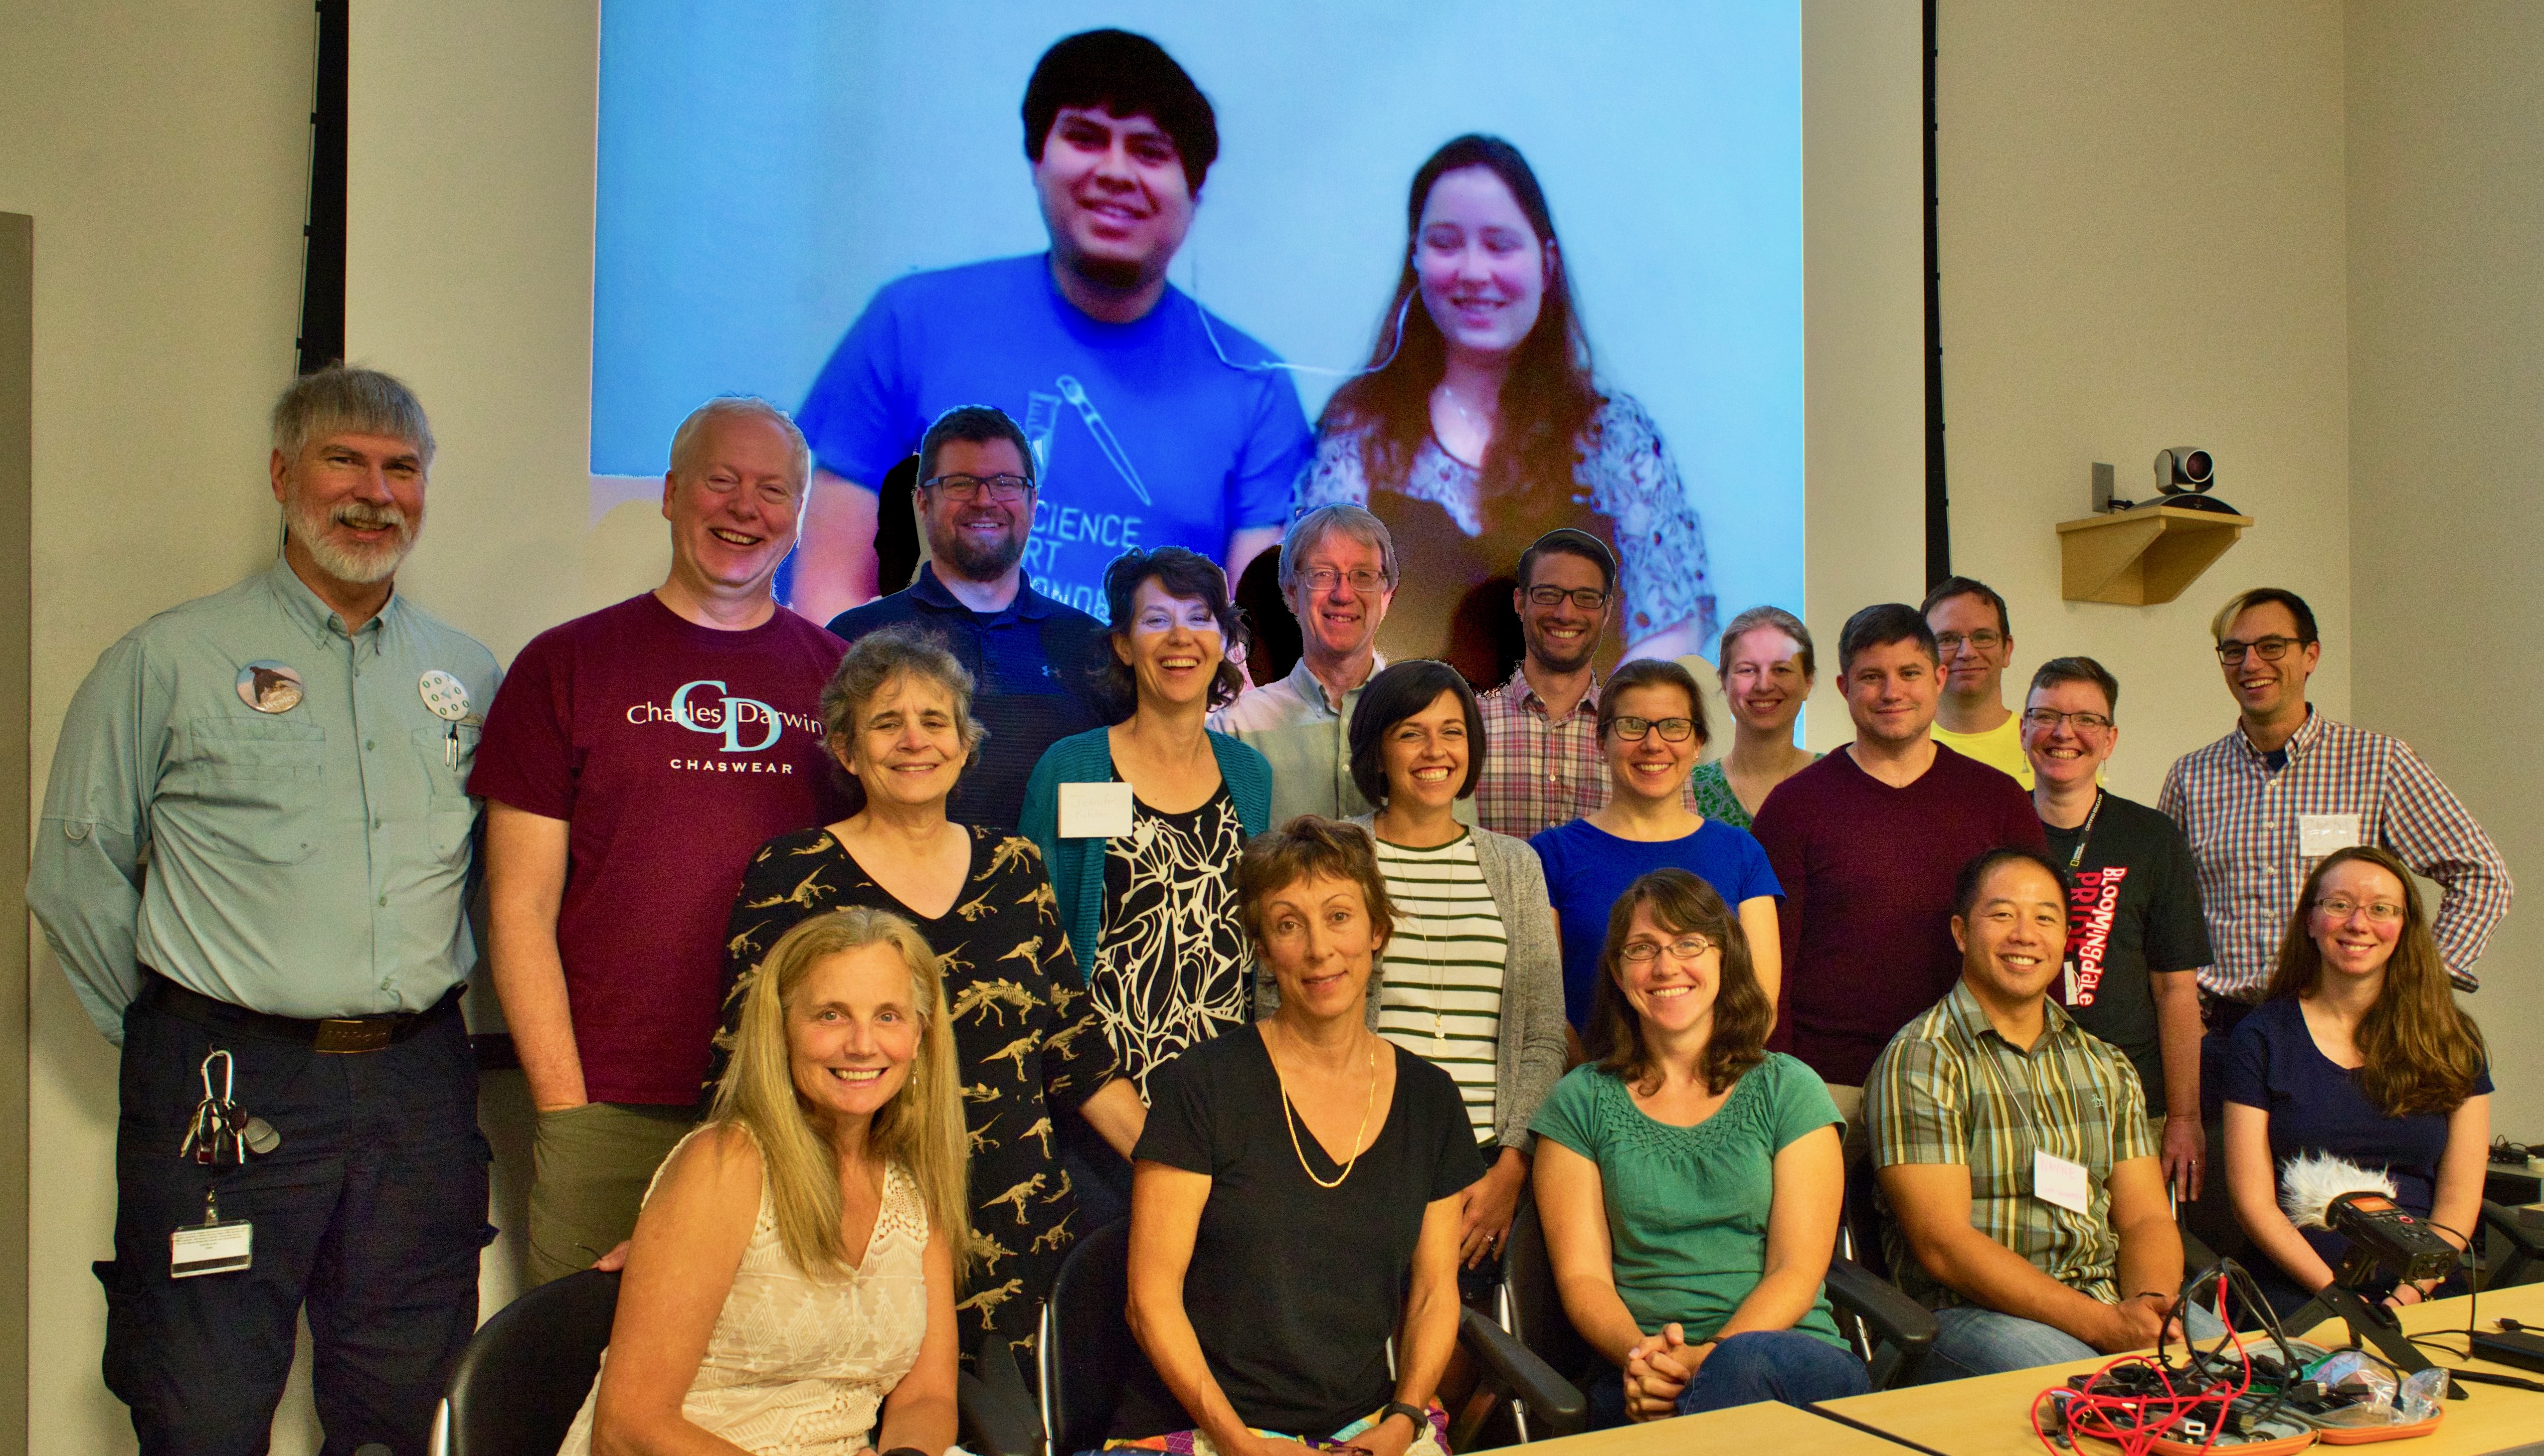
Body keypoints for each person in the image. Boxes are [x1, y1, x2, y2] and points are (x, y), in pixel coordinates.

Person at [27, 367, 500, 1452]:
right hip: (226, 1077)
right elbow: (75, 869)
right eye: (345, 459)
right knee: (202, 1400)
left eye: (402, 468)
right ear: (284, 473)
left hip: (417, 1084)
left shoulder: (466, 671)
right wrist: (178, 1024)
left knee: (404, 1394)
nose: (374, 493)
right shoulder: (169, 657)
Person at [474, 396, 852, 1284]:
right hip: (606, 1104)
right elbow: (517, 905)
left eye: (770, 490)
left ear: (798, 517)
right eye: (720, 480)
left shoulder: (839, 679)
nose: (743, 508)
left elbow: (863, 901)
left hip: (787, 1105)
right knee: (580, 1388)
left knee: (766, 1382)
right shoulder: (564, 665)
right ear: (674, 493)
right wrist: (565, 1105)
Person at [712, 628, 1146, 1369]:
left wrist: (1184, 1175)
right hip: (852, 1227)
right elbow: (740, 1063)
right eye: (885, 722)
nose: (913, 740)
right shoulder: (791, 872)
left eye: (934, 721)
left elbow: (1076, 1053)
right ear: (847, 751)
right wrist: (690, 1221)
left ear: (965, 745)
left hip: (1017, 1228)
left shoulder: (1016, 867)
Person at [787, 29, 1309, 624]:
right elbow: (825, 600)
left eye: (1149, 150)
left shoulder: (1254, 389)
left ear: (1195, 188)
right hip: (926, 705)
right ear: (1037, 158)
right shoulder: (911, 322)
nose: (1115, 171)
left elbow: (1251, 651)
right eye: (1085, 138)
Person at [1112, 818, 1483, 1456]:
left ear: (1377, 929)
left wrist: (1401, 1418)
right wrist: (1239, 1443)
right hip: (1204, 1427)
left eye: (1339, 916)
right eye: (1288, 924)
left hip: (1364, 1429)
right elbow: (1149, 1301)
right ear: (1261, 946)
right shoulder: (1201, 1085)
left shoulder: (1431, 1098)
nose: (1318, 949)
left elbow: (1431, 1293)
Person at [1296, 134, 1714, 684]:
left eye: (1499, 245)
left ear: (1545, 262)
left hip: (1585, 760)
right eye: (1446, 243)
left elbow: (1669, 628)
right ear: (1415, 259)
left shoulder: (1615, 437)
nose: (1473, 271)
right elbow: (1314, 617)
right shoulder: (1359, 432)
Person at [561, 908, 967, 1456]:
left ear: (919, 1035)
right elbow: (629, 1427)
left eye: (889, 1015)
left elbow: (927, 1395)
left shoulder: (914, 1184)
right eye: (830, 1015)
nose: (862, 1043)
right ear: (780, 1030)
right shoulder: (725, 1163)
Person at [1532, 869, 1861, 1424]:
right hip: (1640, 1369)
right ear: (1617, 972)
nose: (1665, 966)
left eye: (1688, 943)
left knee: (1741, 1365)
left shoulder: (1788, 1087)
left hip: (1794, 1359)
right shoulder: (1579, 1101)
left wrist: (1705, 1362)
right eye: (1641, 949)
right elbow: (1582, 1278)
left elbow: (1795, 1268)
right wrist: (1644, 1360)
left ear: (1723, 957)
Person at [2157, 586, 2509, 1101]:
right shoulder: (2191, 777)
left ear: (2310, 655)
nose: (2250, 663)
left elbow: (2481, 874)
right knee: (2228, 1184)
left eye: (2270, 646)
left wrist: (2417, 983)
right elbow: (2164, 914)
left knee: (2335, 1184)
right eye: (2233, 650)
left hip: (2344, 1034)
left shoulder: (2377, 762)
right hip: (2225, 1039)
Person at [1869, 848, 2197, 1381]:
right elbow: (1943, 1245)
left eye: (2045, 917)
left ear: (2065, 938)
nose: (2024, 933)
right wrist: (2104, 1327)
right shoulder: (1922, 1058)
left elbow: (2144, 1217)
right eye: (2001, 915)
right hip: (1974, 1315)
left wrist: (2149, 1307)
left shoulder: (2104, 1063)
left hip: (2110, 1296)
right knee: (2100, 1393)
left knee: (2244, 1372)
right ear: (1959, 931)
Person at [1020, 546, 1273, 1227]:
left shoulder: (1251, 776)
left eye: (1199, 618)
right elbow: (1033, 954)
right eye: (1155, 619)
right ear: (1123, 646)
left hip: (1224, 1123)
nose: (1180, 637)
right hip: (1098, 1118)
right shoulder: (1072, 768)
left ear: (1224, 643)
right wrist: (1118, 1114)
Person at [1752, 604, 2046, 1113]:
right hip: (1827, 1086)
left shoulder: (1999, 800)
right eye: (1871, 677)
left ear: (1937, 678)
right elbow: (1766, 964)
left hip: (1971, 1078)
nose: (1891, 693)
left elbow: (2041, 938)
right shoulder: (1792, 806)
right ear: (1844, 688)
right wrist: (1778, 1084)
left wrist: (2035, 1062)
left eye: (1908, 673)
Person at [1339, 659, 1567, 1281]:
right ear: (1377, 751)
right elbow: (1282, 1016)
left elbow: (1544, 1032)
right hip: (1356, 1155)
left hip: (1485, 1167)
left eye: (1452, 731)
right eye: (1411, 732)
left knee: (1472, 1347)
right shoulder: (1333, 856)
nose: (1434, 750)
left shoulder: (1515, 865)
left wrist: (1513, 1163)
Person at [2222, 846, 2492, 1322]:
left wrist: (2405, 1297)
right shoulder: (2261, 1036)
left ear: (2405, 926)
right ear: (2310, 920)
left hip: (2423, 1288)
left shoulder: (2453, 1038)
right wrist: (2340, 1298)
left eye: (2381, 909)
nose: (2358, 923)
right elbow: (2253, 1203)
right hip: (2299, 1288)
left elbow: (2458, 1201)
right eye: (2339, 904)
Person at [824, 405, 1110, 830]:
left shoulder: (1091, 644)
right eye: (961, 483)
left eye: (1005, 483)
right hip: (896, 895)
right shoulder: (853, 639)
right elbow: (830, 800)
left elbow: (1113, 807)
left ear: (1033, 503)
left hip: (1055, 896)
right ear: (923, 502)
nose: (984, 500)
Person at [2021, 657, 2210, 1196]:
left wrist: (2183, 1115)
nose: (2063, 733)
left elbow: (2175, 987)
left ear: (2109, 739)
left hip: (2132, 1106)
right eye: (2046, 715)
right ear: (2023, 730)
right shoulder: (1994, 825)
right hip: (2017, 1097)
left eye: (2085, 719)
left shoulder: (2151, 837)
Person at [1533, 660, 1781, 1034]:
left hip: (1716, 1086)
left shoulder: (1742, 854)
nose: (1653, 744)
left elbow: (1759, 1007)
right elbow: (1543, 1011)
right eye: (1632, 726)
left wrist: (1698, 1091)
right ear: (1602, 741)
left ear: (1698, 743)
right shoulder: (1549, 857)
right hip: (1586, 1084)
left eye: (1674, 727)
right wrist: (1601, 1088)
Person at [1473, 530, 1694, 839]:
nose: (1566, 613)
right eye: (1548, 594)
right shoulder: (1470, 728)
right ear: (1520, 603)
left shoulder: (1646, 740)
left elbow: (1678, 857)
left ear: (1607, 612)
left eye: (1587, 598)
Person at [1209, 504, 1415, 826]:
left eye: (1363, 575)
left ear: (1386, 595)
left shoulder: (1426, 720)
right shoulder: (1235, 730)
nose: (1343, 594)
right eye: (1322, 575)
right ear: (1291, 592)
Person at [1687, 606, 1820, 830]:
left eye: (1781, 670)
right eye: (1748, 670)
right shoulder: (1690, 790)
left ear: (1808, 683)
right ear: (1724, 682)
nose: (1764, 685)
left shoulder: (1838, 783)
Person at [1922, 576, 2031, 789]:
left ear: (2007, 650)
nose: (1967, 652)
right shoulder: (1901, 748)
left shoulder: (2044, 747)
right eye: (1947, 639)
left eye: (1982, 637)